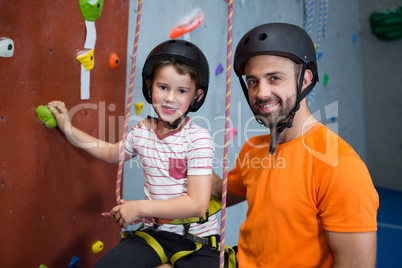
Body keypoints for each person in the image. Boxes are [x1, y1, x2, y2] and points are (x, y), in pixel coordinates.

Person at [212, 22, 379, 267]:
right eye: (253, 81)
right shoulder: (254, 149)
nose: (261, 92)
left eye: (274, 78)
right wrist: (183, 148)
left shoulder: (339, 165)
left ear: (304, 79)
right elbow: (219, 193)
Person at [48, 40, 221, 268]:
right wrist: (67, 128)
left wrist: (138, 208)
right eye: (163, 87)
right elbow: (110, 152)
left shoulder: (198, 139)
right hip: (157, 236)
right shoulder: (142, 133)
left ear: (196, 97)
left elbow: (197, 204)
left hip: (198, 243)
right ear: (149, 86)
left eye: (181, 91)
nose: (170, 98)